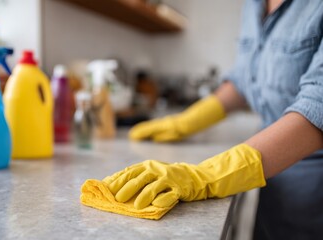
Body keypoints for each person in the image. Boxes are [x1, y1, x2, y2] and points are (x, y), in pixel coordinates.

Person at [101, 0, 323, 239]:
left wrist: (205, 176)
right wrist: (186, 121)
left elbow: (317, 106)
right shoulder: (254, 5)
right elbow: (244, 80)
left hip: (313, 190)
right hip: (270, 169)